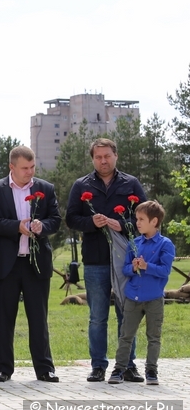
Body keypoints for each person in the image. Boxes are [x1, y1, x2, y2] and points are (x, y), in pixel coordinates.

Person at [66, 138, 147, 383]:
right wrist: (92, 223)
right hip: (95, 260)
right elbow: (71, 219)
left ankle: (127, 365)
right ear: (92, 159)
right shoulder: (81, 185)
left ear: (115, 156)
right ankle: (98, 366)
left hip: (127, 261)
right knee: (98, 317)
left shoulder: (131, 184)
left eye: (107, 156)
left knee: (127, 314)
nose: (103, 160)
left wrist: (122, 225)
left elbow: (146, 217)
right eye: (98, 157)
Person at [0, 146, 61, 383]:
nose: (30, 172)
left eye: (32, 167)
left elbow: (55, 220)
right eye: (25, 168)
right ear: (11, 167)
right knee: (4, 319)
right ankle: (3, 369)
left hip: (36, 263)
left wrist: (41, 227)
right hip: (6, 264)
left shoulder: (45, 189)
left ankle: (45, 369)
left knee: (39, 318)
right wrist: (16, 226)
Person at [107, 201, 174, 386]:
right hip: (133, 297)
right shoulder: (134, 243)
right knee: (126, 335)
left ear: (154, 221)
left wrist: (147, 266)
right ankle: (119, 369)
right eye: (137, 219)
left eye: (141, 219)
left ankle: (151, 371)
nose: (137, 222)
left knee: (154, 336)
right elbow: (126, 270)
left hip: (154, 299)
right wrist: (134, 266)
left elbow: (164, 271)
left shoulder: (165, 245)